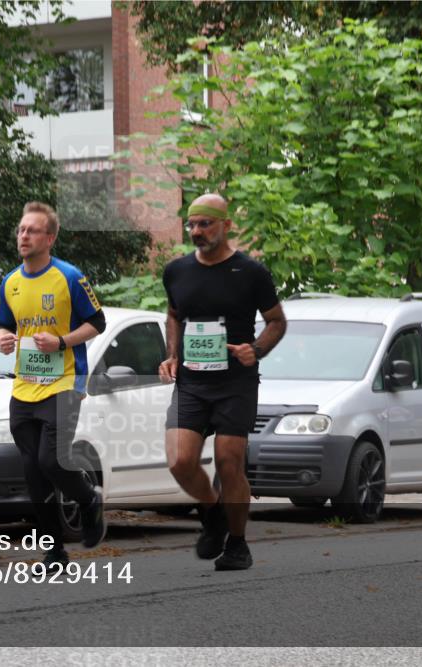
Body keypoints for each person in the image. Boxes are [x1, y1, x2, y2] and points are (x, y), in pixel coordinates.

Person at [159, 193, 287, 571]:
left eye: (205, 224)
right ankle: (213, 515)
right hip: (192, 383)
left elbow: (277, 321)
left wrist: (257, 349)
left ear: (226, 226)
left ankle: (238, 543)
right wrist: (172, 354)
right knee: (180, 460)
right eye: (192, 225)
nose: (197, 231)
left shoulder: (251, 272)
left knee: (229, 463)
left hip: (236, 383)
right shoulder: (176, 271)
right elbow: (172, 314)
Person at [0, 201, 108, 572]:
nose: (23, 236)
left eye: (32, 231)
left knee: (52, 459)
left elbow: (98, 322)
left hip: (64, 381)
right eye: (21, 230)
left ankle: (89, 500)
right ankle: (54, 552)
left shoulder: (69, 277)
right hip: (24, 386)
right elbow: (3, 324)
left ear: (50, 237)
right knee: (33, 471)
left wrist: (61, 342)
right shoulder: (10, 282)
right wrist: (3, 339)